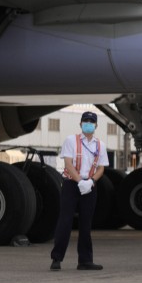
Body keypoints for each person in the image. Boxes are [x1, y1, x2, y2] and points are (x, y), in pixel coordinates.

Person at [50, 111, 108, 271]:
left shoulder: (100, 145)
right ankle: (56, 258)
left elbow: (101, 167)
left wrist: (91, 181)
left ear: (96, 125)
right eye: (85, 121)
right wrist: (79, 181)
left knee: (86, 224)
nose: (88, 124)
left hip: (90, 185)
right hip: (71, 184)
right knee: (65, 221)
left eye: (91, 121)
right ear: (81, 124)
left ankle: (85, 260)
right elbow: (68, 163)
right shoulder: (71, 140)